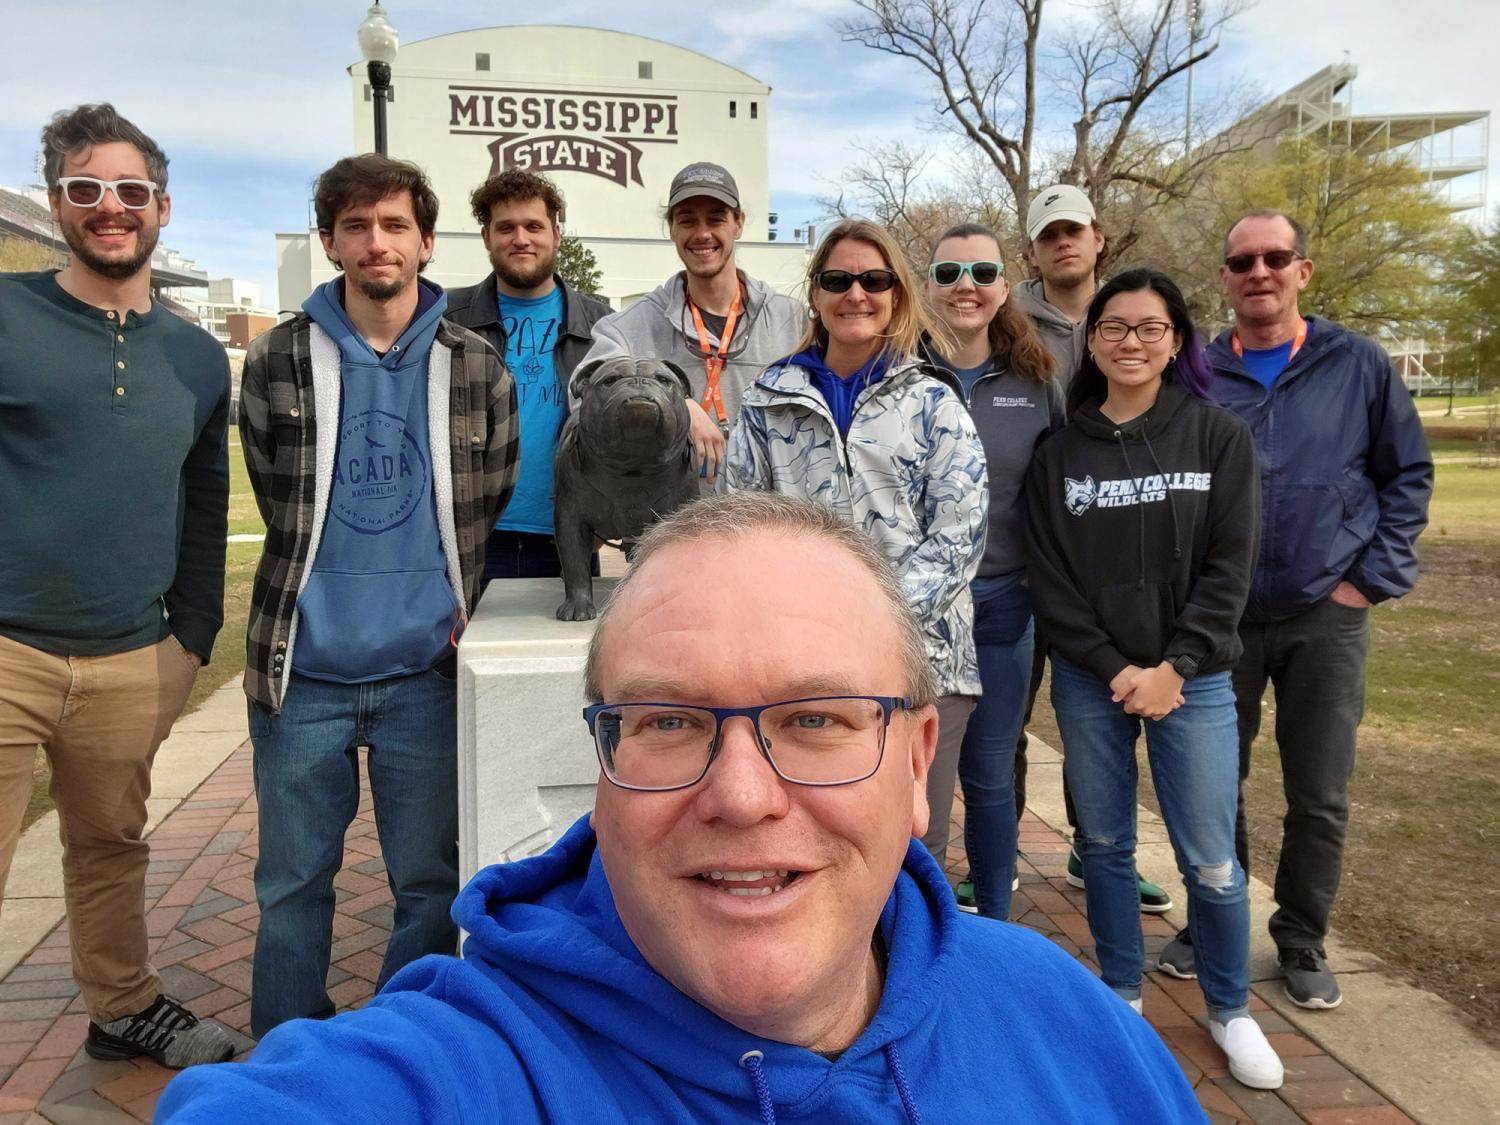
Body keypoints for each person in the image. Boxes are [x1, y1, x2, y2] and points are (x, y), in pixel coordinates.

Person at [156, 492, 1207, 1123]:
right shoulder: (474, 1064)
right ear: (603, 766)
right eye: (667, 722)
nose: (742, 796)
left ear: (918, 759)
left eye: (817, 720)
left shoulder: (1064, 1020)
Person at [238, 154, 518, 1038]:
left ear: (426, 241)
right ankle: (289, 1052)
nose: (376, 242)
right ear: (330, 241)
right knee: (292, 886)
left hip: (423, 676)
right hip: (305, 673)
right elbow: (274, 492)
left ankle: (406, 1044)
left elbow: (490, 493)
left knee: (432, 885)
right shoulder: (278, 355)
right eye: (356, 226)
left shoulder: (475, 366)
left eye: (395, 225)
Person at [0, 103, 235, 1070]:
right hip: (8, 646)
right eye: (87, 189)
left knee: (112, 849)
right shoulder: (9, 315)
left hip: (129, 654)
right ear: (57, 201)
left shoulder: (194, 353)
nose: (110, 208)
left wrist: (190, 639)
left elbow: (205, 503)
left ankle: (123, 1004)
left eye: (130, 191)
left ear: (163, 207)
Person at [1156, 211, 1432, 1011]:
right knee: (1214, 782)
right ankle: (1215, 923)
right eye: (1242, 261)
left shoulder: (1357, 364)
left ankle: (1302, 934)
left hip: (1325, 612)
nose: (1259, 272)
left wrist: (1367, 581)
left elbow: (1405, 476)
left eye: (1276, 258)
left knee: (1319, 789)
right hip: (1221, 617)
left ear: (1303, 270)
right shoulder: (1198, 369)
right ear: (1224, 278)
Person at [1025, 268, 1284, 1089]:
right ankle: (1121, 991)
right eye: (1114, 328)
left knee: (1210, 856)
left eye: (1149, 328)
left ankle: (1229, 1005)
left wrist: (1175, 666)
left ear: (1176, 340)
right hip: (1091, 677)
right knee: (1103, 844)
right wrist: (1115, 667)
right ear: (1091, 340)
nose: (1130, 342)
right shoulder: (1059, 451)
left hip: (1195, 679)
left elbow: (1229, 567)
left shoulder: (1215, 437)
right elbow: (1050, 578)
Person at [722, 219, 987, 873]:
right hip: (798, 667)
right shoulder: (768, 401)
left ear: (897, 293)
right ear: (816, 293)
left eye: (874, 280)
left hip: (923, 665)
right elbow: (736, 528)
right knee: (821, 838)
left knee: (911, 844)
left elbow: (961, 533)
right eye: (838, 280)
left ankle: (916, 974)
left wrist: (868, 624)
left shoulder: (933, 401)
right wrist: (803, 629)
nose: (856, 294)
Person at [1015, 184, 1172, 914]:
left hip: (1105, 557)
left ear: (1099, 237)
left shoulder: (1131, 315)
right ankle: (996, 851)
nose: (1063, 243)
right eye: (1049, 234)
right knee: (1009, 712)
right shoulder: (1007, 315)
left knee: (1103, 709)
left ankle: (1095, 843)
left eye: (1073, 230)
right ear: (1033, 249)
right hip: (1021, 550)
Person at [920, 222, 1062, 920]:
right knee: (921, 778)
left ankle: (995, 930)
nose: (964, 286)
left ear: (1006, 286)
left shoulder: (1036, 383)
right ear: (928, 288)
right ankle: (924, 919)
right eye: (948, 273)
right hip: (917, 614)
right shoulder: (898, 373)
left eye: (981, 272)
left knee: (991, 773)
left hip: (1005, 603)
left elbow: (1062, 494)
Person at [578, 162, 803, 485]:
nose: (702, 234)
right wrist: (675, 404)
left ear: (738, 224)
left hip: (766, 523)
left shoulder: (791, 321)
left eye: (716, 218)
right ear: (671, 229)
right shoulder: (629, 328)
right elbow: (588, 393)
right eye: (687, 221)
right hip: (670, 525)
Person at [446, 168, 611, 580]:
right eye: (506, 228)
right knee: (468, 647)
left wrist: (605, 515)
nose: (521, 239)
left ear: (555, 234)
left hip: (568, 534)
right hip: (475, 536)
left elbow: (615, 432)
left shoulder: (602, 327)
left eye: (533, 226)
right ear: (487, 237)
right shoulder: (448, 321)